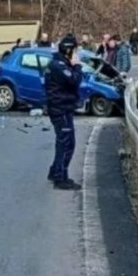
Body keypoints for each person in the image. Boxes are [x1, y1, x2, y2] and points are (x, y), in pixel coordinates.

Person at [44, 34, 83, 191]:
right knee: (67, 144)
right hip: (61, 109)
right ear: (69, 50)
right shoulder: (58, 66)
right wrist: (77, 65)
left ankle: (55, 171)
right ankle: (61, 178)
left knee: (62, 142)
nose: (76, 53)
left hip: (62, 107)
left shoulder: (60, 63)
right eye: (75, 50)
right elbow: (74, 80)